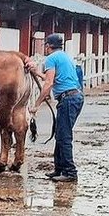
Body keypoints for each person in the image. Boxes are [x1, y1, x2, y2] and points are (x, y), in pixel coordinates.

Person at [34, 33, 83, 183]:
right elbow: (54, 79)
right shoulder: (65, 56)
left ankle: (70, 172)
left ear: (48, 46)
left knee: (64, 136)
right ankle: (59, 168)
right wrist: (36, 72)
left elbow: (48, 83)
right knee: (60, 133)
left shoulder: (51, 59)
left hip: (67, 99)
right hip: (75, 96)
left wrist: (36, 105)